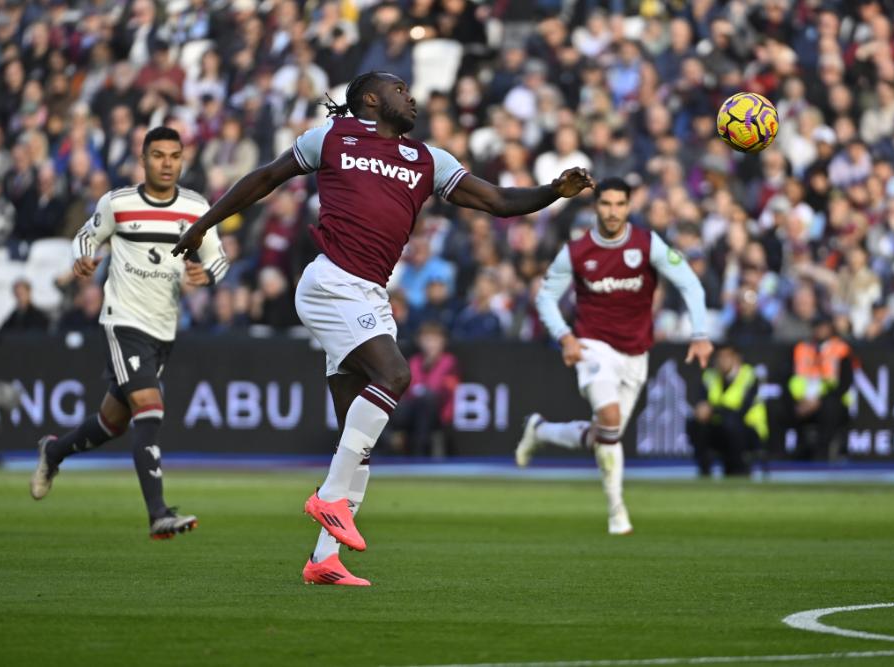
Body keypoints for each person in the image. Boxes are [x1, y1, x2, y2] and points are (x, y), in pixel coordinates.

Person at [171, 71, 593, 585]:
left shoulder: (428, 159)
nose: (411, 97)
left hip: (368, 293)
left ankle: (324, 559)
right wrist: (204, 223)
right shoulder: (330, 138)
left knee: (360, 433)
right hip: (330, 282)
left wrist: (553, 191)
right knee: (393, 376)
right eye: (400, 90)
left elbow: (499, 202)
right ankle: (328, 501)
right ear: (370, 99)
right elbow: (264, 178)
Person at [30, 127, 229, 539]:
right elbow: (86, 237)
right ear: (143, 159)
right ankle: (158, 513)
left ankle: (54, 450)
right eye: (158, 155)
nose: (167, 163)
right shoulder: (118, 203)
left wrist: (206, 273)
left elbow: (219, 258)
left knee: (112, 423)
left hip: (163, 329)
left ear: (182, 160)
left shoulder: (195, 208)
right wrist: (84, 259)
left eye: (174, 156)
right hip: (123, 321)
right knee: (151, 409)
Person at [514, 177, 712, 535]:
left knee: (607, 434)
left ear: (629, 207)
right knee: (609, 418)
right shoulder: (576, 251)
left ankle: (541, 430)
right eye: (606, 204)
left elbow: (688, 282)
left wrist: (699, 333)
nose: (613, 212)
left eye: (620, 204)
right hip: (593, 346)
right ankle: (617, 511)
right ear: (596, 207)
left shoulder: (647, 244)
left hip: (636, 353)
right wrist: (565, 337)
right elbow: (545, 297)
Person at [687, 344, 767, 477]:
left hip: (748, 429)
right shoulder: (710, 376)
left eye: (726, 357)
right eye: (719, 357)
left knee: (731, 424)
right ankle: (704, 468)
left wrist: (712, 410)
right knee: (695, 423)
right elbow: (702, 402)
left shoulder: (749, 376)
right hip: (719, 426)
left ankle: (738, 468)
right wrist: (702, 410)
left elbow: (741, 411)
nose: (722, 361)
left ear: (737, 359)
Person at [787, 314, 856, 460]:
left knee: (830, 409)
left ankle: (822, 454)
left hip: (831, 400)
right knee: (780, 408)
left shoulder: (841, 349)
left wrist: (818, 401)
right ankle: (784, 454)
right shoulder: (802, 348)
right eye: (817, 327)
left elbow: (845, 383)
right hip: (804, 400)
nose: (820, 330)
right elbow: (791, 378)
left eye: (824, 327)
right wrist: (801, 401)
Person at [389, 321, 460, 457]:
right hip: (412, 409)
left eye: (435, 340)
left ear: (443, 342)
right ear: (419, 341)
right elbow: (409, 390)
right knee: (388, 403)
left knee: (428, 399)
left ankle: (419, 452)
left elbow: (442, 391)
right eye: (427, 339)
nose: (431, 344)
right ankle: (390, 444)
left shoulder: (449, 362)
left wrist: (430, 366)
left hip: (439, 412)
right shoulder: (414, 361)